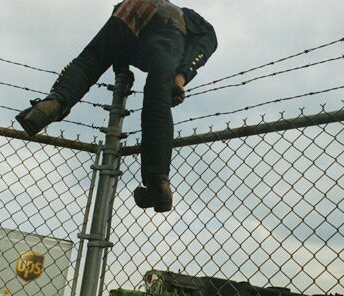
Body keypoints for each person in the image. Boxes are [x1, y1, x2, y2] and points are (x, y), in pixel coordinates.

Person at [16, 0, 217, 213]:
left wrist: (122, 71)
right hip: (173, 27)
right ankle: (158, 182)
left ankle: (54, 102)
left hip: (134, 5)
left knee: (92, 59)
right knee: (157, 100)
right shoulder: (187, 16)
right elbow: (209, 37)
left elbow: (116, 47)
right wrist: (181, 76)